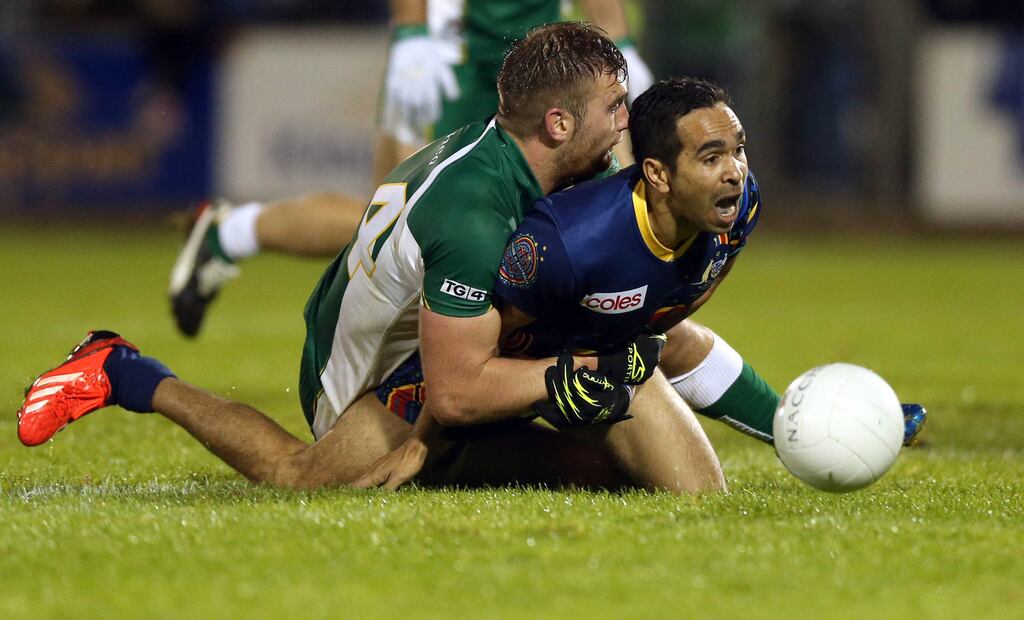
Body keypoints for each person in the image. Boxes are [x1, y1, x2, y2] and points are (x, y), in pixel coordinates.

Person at [20, 23, 726, 495]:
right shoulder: (476, 214)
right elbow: (453, 390)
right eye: (612, 108)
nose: (624, 125)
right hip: (373, 375)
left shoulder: (522, 160)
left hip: (449, 343)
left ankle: (779, 417)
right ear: (558, 124)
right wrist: (565, 374)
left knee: (600, 458)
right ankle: (124, 370)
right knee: (303, 480)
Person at [168, 0, 654, 338]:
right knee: (395, 220)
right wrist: (410, 32)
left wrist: (621, 44)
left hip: (539, 69)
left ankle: (625, 342)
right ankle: (228, 233)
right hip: (446, 58)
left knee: (599, 199)